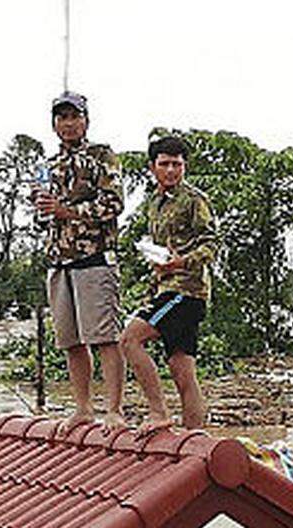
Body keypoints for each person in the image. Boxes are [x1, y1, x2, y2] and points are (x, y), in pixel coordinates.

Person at [35, 91, 126, 434]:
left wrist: (67, 210)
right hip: (59, 261)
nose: (68, 123)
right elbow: (41, 218)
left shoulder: (103, 156)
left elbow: (113, 204)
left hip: (95, 258)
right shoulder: (46, 166)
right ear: (54, 124)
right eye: (62, 118)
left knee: (104, 337)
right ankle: (83, 408)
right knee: (70, 341)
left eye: (74, 116)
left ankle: (114, 410)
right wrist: (44, 212)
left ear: (86, 120)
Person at [119, 136, 216, 435]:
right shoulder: (155, 204)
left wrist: (181, 262)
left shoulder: (194, 199)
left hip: (185, 291)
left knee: (129, 340)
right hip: (166, 288)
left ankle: (159, 412)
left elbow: (212, 243)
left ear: (185, 166)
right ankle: (193, 438)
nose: (172, 170)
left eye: (177, 164)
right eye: (165, 164)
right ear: (153, 168)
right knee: (181, 369)